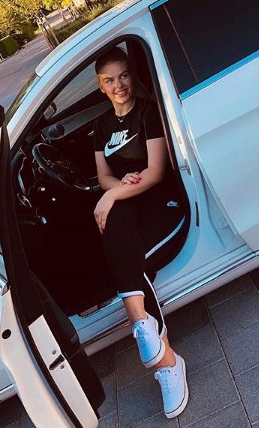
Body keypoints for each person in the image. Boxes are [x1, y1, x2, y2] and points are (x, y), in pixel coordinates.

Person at [93, 46, 189, 419]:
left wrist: (112, 194)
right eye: (109, 80)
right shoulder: (100, 127)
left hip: (159, 201)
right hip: (128, 200)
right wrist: (116, 189)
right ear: (100, 86)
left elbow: (155, 172)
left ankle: (149, 336)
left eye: (124, 76)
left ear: (132, 75)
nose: (119, 85)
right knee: (116, 228)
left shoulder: (147, 113)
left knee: (123, 248)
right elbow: (103, 175)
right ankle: (160, 350)